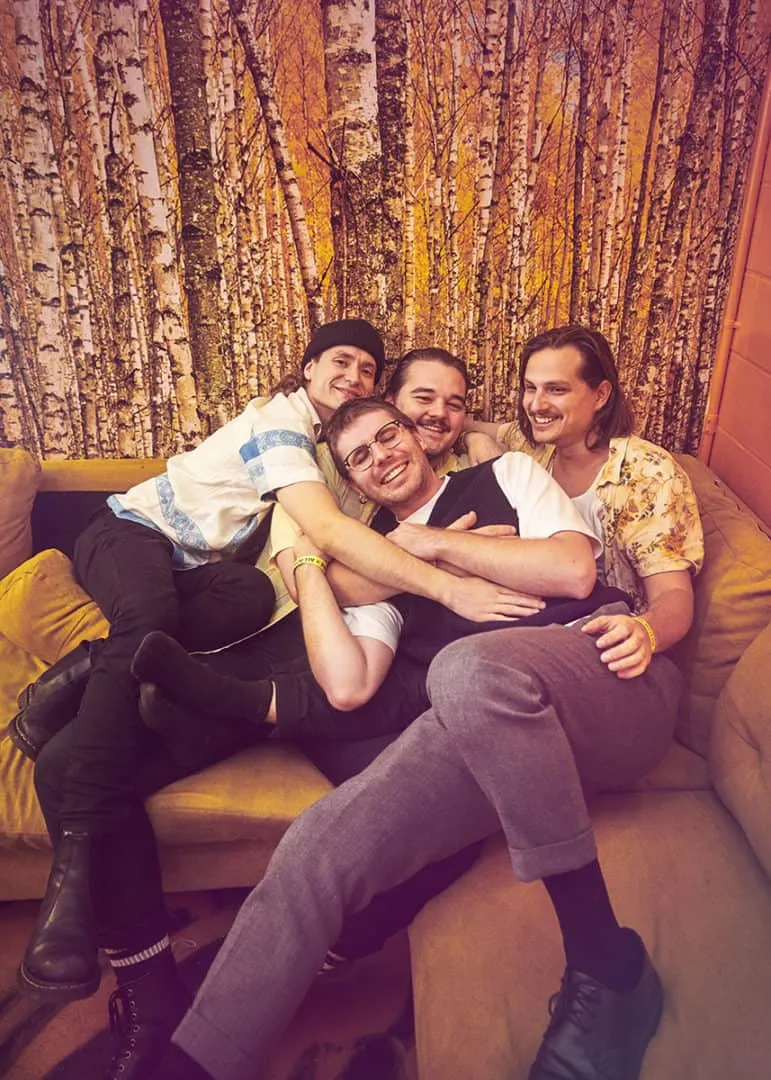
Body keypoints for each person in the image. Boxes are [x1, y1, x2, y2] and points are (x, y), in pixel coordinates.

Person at [144, 384, 697, 1080]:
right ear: (349, 481)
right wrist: (325, 565)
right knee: (317, 844)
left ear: (414, 433)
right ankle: (188, 1065)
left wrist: (437, 542)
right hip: (494, 731)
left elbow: (569, 568)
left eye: (387, 435)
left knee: (465, 668)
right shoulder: (378, 560)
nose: (381, 457)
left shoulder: (504, 475)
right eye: (358, 457)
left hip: (608, 675)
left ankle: (604, 960)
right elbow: (348, 681)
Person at [18, 327, 531, 1031]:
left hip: (378, 687)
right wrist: (435, 571)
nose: (435, 416)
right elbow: (316, 555)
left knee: (457, 807)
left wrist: (474, 441)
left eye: (454, 403)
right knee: (66, 765)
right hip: (289, 653)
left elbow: (544, 548)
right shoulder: (335, 474)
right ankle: (151, 991)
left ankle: (323, 951)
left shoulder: (490, 482)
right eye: (418, 402)